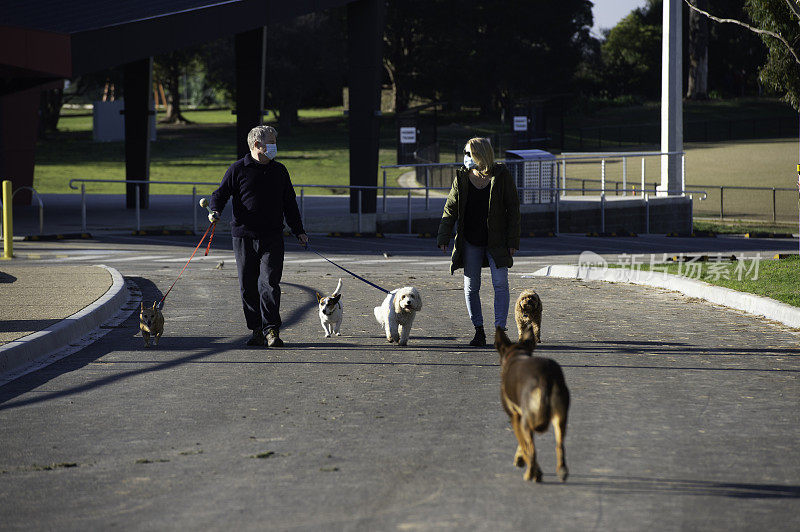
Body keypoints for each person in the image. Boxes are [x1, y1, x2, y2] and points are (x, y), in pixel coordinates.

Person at [209, 125, 309, 348]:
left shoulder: (280, 171)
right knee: (247, 286)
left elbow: (290, 203)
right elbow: (220, 194)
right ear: (257, 145)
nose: (275, 147)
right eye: (271, 143)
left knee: (269, 283)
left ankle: (271, 329)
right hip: (243, 236)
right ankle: (256, 329)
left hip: (273, 236)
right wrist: (215, 211)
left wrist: (298, 230)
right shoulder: (238, 169)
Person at [436, 137, 520, 347]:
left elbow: (514, 210)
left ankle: (500, 331)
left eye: (468, 153)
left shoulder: (502, 176)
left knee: (500, 284)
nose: (465, 158)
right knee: (471, 287)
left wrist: (513, 240)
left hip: (497, 241)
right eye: (464, 153)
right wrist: (443, 236)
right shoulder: (462, 177)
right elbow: (450, 208)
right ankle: (479, 330)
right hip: (470, 240)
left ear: (480, 155)